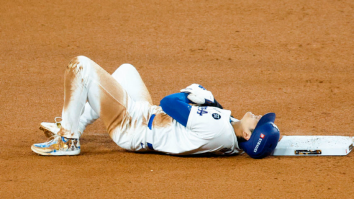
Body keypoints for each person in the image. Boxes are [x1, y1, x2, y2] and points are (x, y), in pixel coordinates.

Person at [31, 56, 280, 159]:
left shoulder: (217, 129)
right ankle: (75, 123)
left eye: (258, 122)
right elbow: (213, 117)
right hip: (145, 116)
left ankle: (68, 139)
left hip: (131, 125)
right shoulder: (231, 138)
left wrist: (189, 94)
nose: (257, 116)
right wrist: (209, 101)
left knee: (80, 65)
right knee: (126, 70)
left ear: (248, 135)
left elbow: (170, 103)